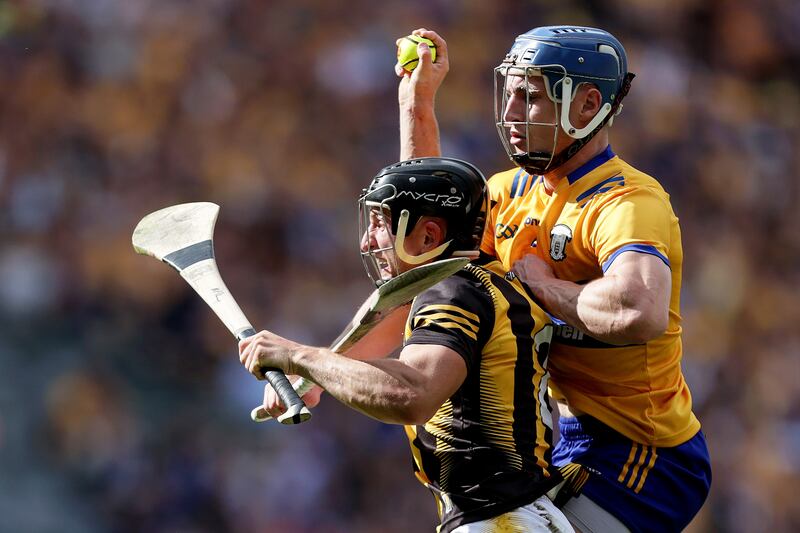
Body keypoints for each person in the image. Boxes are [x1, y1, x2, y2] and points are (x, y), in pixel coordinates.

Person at [397, 25, 711, 533]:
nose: (512, 112)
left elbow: (639, 310)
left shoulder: (628, 202)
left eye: (533, 97)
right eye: (511, 93)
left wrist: (541, 285)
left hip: (642, 455)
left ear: (588, 104)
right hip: (563, 437)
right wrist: (418, 106)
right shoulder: (508, 190)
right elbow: (431, 254)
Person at [240, 157, 574, 532]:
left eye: (381, 224)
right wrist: (319, 374)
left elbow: (412, 392)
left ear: (430, 237)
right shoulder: (486, 282)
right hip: (520, 514)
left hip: (498, 519)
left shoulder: (452, 289)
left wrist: (300, 356)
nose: (368, 240)